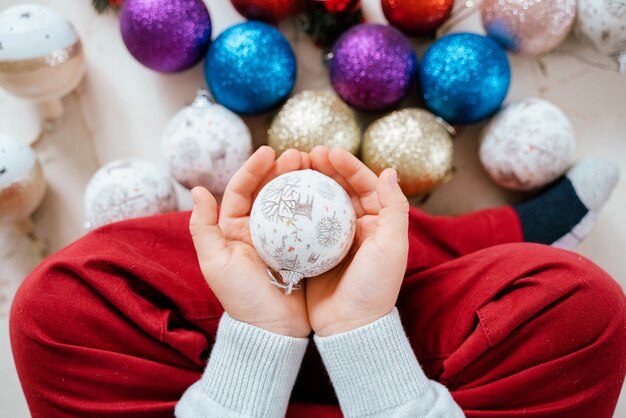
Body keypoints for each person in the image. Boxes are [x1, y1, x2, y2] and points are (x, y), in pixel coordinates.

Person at [9, 146, 626, 418]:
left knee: (58, 306)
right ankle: (464, 242)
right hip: (427, 386)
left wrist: (257, 333)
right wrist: (360, 330)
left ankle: (443, 246)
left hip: (197, 387)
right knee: (582, 310)